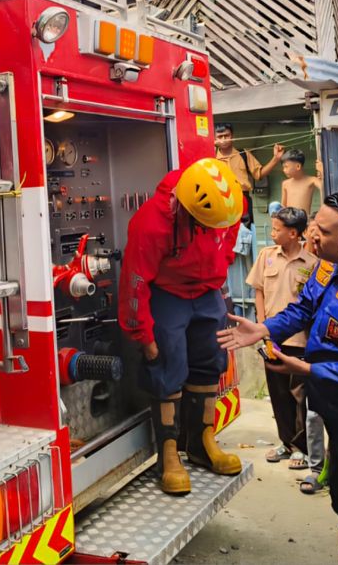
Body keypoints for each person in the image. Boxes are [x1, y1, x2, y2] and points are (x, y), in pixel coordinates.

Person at [218, 188, 338, 565]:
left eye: (322, 230)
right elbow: (303, 309)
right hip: (332, 405)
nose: (312, 236)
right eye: (313, 227)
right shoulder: (323, 266)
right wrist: (265, 329)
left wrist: (306, 369)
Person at [118, 158, 243, 495]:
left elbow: (228, 239)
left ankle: (203, 442)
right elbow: (135, 281)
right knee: (166, 364)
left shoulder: (226, 203)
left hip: (206, 292)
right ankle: (169, 454)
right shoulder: (152, 223)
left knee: (210, 361)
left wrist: (219, 267)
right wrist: (143, 335)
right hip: (168, 293)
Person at [246, 207, 317, 468]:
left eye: (277, 229)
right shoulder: (266, 257)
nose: (273, 233)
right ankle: (286, 442)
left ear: (293, 233)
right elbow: (259, 292)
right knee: (278, 394)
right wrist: (262, 326)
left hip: (300, 341)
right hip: (271, 339)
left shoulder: (312, 264)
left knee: (299, 395)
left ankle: (301, 447)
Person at [214, 123, 283, 226]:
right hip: (220, 198)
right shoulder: (211, 157)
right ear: (214, 139)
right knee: (222, 230)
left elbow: (259, 174)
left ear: (232, 136)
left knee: (246, 232)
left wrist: (276, 159)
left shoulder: (243, 154)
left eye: (226, 135)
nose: (223, 139)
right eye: (220, 136)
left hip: (243, 199)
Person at [280, 149, 322, 217]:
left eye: (286, 167)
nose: (284, 170)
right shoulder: (285, 184)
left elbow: (323, 187)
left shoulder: (311, 180)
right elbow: (283, 207)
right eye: (283, 167)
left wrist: (322, 171)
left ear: (298, 166)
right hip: (289, 221)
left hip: (304, 222)